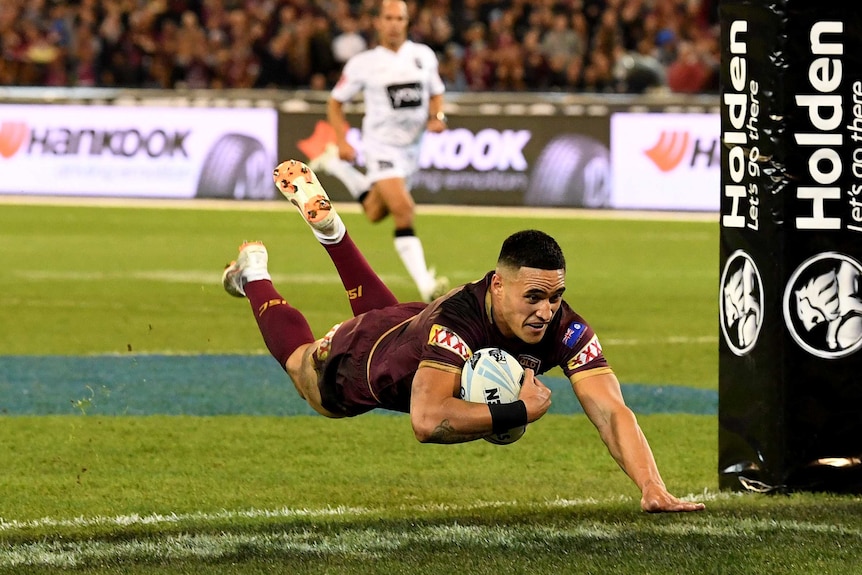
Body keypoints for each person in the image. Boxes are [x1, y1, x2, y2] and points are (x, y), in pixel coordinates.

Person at [221, 158, 706, 514]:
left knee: (388, 318)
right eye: (532, 297)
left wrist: (651, 485)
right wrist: (521, 410)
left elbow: (610, 408)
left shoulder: (563, 324)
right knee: (306, 371)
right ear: (498, 285)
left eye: (556, 296)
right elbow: (427, 420)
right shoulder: (459, 321)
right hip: (368, 366)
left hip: (409, 327)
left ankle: (332, 231)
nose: (546, 311)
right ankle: (255, 275)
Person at [307, 0, 449, 303]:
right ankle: (426, 284)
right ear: (378, 23)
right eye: (389, 18)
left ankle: (335, 165)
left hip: (412, 150)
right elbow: (335, 102)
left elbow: (436, 94)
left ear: (407, 22)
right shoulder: (364, 63)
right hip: (380, 147)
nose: (395, 23)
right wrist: (344, 139)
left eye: (400, 18)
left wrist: (438, 118)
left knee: (374, 212)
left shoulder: (423, 57)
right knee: (404, 209)